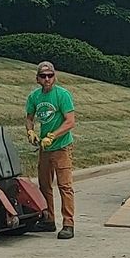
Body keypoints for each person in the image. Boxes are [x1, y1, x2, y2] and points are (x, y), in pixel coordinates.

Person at [25, 61, 77, 239]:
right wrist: (30, 131)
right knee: (45, 185)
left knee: (65, 186)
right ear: (37, 78)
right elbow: (29, 117)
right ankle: (48, 220)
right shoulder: (34, 97)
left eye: (50, 75)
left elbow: (70, 121)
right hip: (45, 148)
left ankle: (68, 223)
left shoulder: (62, 95)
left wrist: (53, 135)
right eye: (43, 76)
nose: (47, 79)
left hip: (61, 147)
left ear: (55, 76)